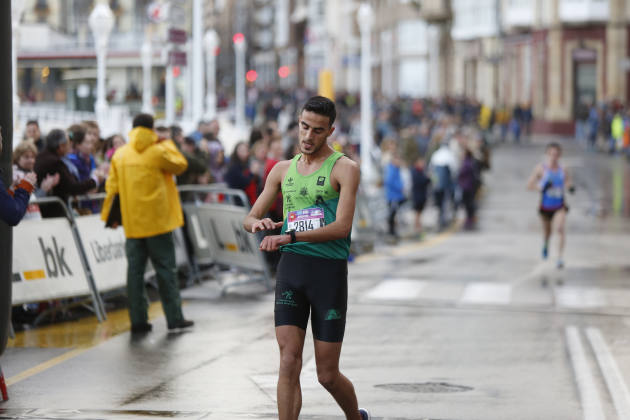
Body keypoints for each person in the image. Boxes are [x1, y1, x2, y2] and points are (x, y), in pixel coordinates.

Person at [243, 96, 370, 420]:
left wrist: (290, 235)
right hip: (292, 269)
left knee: (326, 375)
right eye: (304, 127)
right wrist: (258, 223)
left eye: (317, 130)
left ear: (330, 131)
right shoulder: (282, 170)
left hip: (327, 273)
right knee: (288, 359)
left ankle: (356, 418)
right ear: (297, 124)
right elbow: (250, 216)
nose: (308, 137)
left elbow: (341, 228)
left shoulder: (345, 169)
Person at [101, 113, 193, 333]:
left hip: (133, 224)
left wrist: (108, 216)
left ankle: (138, 321)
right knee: (165, 271)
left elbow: (111, 188)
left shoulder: (120, 155)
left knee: (134, 273)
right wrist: (168, 142)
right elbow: (180, 165)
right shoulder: (159, 151)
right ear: (152, 129)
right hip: (159, 223)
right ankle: (174, 318)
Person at [527, 142, 574, 269]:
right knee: (547, 232)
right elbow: (529, 185)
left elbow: (568, 182)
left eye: (556, 154)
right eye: (552, 154)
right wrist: (541, 188)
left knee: (560, 228)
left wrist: (570, 188)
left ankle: (559, 258)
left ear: (560, 155)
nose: (554, 156)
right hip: (545, 207)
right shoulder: (541, 169)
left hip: (559, 206)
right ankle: (546, 243)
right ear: (547, 154)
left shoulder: (563, 169)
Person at [34, 129, 97, 218]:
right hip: (54, 213)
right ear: (61, 146)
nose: (70, 146)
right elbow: (72, 187)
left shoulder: (42, 157)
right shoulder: (55, 162)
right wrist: (95, 180)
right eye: (68, 143)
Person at [0, 127, 37, 225]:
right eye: (26, 157)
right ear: (17, 157)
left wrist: (12, 191)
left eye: (33, 157)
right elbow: (12, 214)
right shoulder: (17, 175)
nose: (31, 160)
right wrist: (25, 188)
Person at [384, 152, 405, 239]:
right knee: (392, 214)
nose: (399, 161)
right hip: (393, 196)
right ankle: (391, 232)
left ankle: (393, 232)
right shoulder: (391, 169)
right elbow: (390, 181)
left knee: (394, 214)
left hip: (396, 195)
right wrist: (399, 187)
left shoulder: (395, 168)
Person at [411, 157, 430, 237]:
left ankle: (419, 229)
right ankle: (417, 229)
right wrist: (427, 178)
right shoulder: (415, 172)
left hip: (421, 195)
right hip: (418, 195)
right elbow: (421, 181)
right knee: (417, 213)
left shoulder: (421, 171)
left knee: (419, 213)